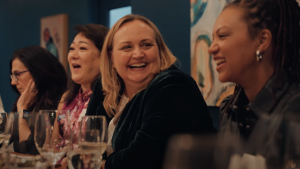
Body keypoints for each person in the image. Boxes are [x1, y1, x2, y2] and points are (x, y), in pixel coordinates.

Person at [86, 14, 215, 169]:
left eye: (146, 45)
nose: (138, 54)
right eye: (127, 47)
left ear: (159, 50)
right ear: (111, 57)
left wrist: (102, 164)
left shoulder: (173, 85)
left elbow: (142, 157)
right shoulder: (107, 86)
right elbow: (89, 140)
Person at [208, 0, 300, 165]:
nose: (211, 48)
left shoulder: (294, 111)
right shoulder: (229, 112)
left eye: (222, 36)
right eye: (212, 38)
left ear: (262, 40)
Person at [53, 24, 108, 164]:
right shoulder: (67, 97)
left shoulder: (109, 98)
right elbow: (51, 145)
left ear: (103, 57)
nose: (73, 55)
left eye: (82, 48)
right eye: (71, 49)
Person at [9, 46, 67, 155]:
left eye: (17, 74)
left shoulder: (60, 104)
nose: (13, 82)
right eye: (12, 75)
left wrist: (22, 109)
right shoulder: (29, 102)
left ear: (38, 72)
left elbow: (27, 149)